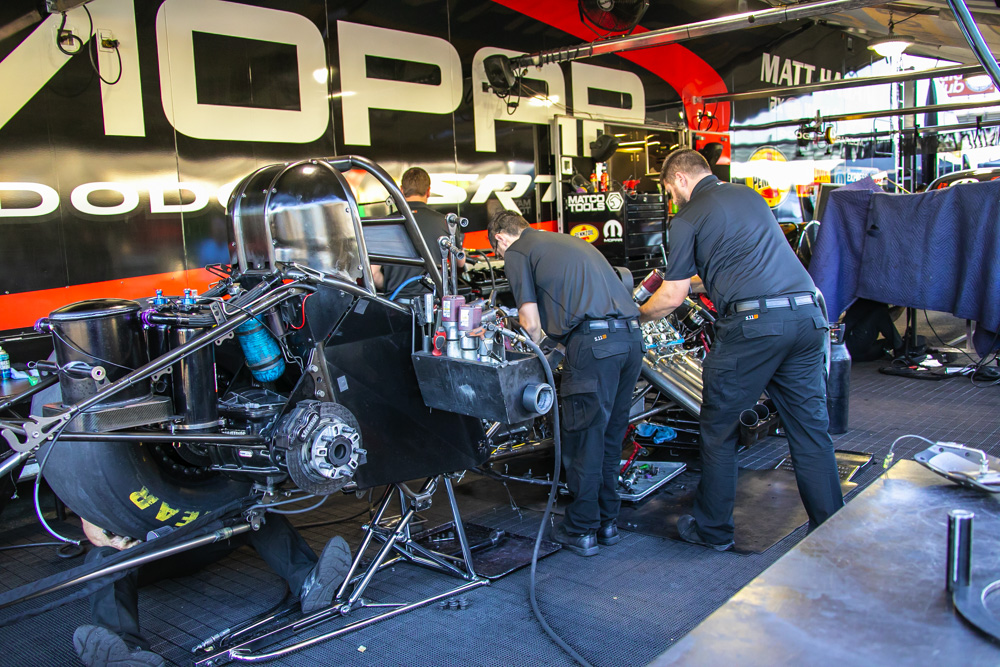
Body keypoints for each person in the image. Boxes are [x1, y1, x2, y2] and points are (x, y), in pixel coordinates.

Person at [640, 148, 843, 552]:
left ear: (679, 179)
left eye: (668, 189)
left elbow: (672, 297)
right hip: (807, 317)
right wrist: (686, 283)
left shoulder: (687, 217)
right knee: (809, 432)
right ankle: (832, 530)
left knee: (718, 429)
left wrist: (636, 317)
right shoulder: (747, 197)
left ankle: (713, 530)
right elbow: (726, 269)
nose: (671, 198)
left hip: (755, 326)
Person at [488, 211, 643, 557]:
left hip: (595, 346)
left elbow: (529, 323)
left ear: (499, 238)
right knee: (607, 436)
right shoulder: (565, 241)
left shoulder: (517, 251)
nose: (502, 259)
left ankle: (581, 528)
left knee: (583, 437)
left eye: (498, 253)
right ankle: (607, 523)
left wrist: (526, 360)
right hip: (631, 340)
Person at [72, 516, 351, 667]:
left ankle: (310, 582)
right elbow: (92, 527)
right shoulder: (103, 455)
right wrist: (115, 542)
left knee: (259, 516)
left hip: (202, 538)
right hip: (144, 555)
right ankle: (125, 652)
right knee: (101, 559)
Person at [371, 167, 464, 300]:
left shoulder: (385, 224)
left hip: (396, 305)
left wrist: (390, 289)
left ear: (401, 190)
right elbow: (460, 263)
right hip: (434, 304)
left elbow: (373, 274)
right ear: (428, 191)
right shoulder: (446, 222)